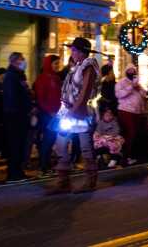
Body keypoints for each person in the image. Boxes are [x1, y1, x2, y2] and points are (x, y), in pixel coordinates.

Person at [47, 37, 100, 195]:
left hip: (80, 112)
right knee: (60, 144)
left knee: (85, 147)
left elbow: (84, 93)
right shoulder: (76, 66)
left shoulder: (88, 67)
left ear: (81, 52)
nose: (72, 52)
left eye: (74, 49)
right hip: (67, 111)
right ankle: (63, 182)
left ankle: (90, 181)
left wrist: (74, 111)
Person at [2, 52, 33, 183]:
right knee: (15, 145)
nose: (24, 61)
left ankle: (18, 172)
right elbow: (12, 98)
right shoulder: (11, 76)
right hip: (15, 117)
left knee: (20, 145)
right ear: (15, 61)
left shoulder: (19, 75)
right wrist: (19, 113)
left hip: (21, 116)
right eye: (22, 59)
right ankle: (13, 174)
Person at [33, 55, 62, 177]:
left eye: (58, 63)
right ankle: (43, 167)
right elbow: (41, 98)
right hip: (47, 115)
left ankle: (47, 166)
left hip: (56, 114)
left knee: (51, 141)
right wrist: (50, 112)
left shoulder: (56, 78)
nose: (57, 66)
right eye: (55, 63)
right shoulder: (42, 79)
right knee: (47, 141)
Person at [115, 64, 147, 165]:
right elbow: (119, 94)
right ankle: (125, 156)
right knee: (130, 133)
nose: (132, 72)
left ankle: (132, 155)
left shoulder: (136, 83)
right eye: (130, 70)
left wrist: (138, 88)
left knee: (135, 134)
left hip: (137, 112)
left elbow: (144, 94)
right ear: (126, 71)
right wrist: (131, 87)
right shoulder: (122, 82)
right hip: (126, 111)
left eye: (134, 71)